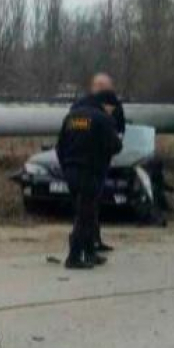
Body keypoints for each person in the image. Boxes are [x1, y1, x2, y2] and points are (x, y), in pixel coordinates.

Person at [56, 92, 123, 269]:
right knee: (86, 215)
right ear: (107, 105)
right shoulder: (103, 119)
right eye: (112, 108)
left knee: (85, 212)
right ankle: (74, 257)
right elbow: (116, 146)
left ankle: (89, 252)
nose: (112, 112)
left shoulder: (71, 117)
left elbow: (59, 146)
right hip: (91, 171)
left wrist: (66, 166)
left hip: (71, 170)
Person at [71, 73, 125, 252]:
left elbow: (119, 129)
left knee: (92, 204)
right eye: (100, 86)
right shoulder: (82, 107)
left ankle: (92, 242)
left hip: (97, 161)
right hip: (86, 162)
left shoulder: (113, 106)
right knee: (86, 206)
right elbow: (73, 133)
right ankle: (82, 247)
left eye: (106, 86)